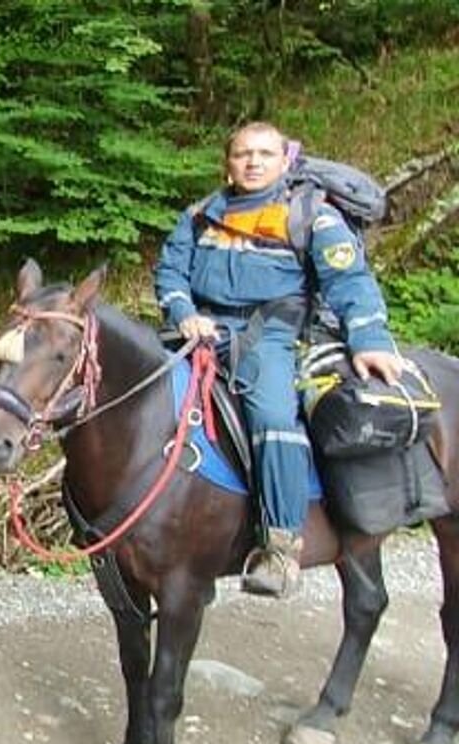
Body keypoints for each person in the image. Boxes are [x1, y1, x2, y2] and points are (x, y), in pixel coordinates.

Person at [154, 121, 405, 598]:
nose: (253, 162)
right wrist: (184, 312)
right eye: (243, 154)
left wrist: (370, 338)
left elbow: (349, 280)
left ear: (285, 160)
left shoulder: (311, 213)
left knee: (270, 414)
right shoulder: (200, 215)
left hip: (269, 336)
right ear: (227, 162)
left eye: (265, 154)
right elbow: (169, 271)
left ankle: (280, 545)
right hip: (198, 332)